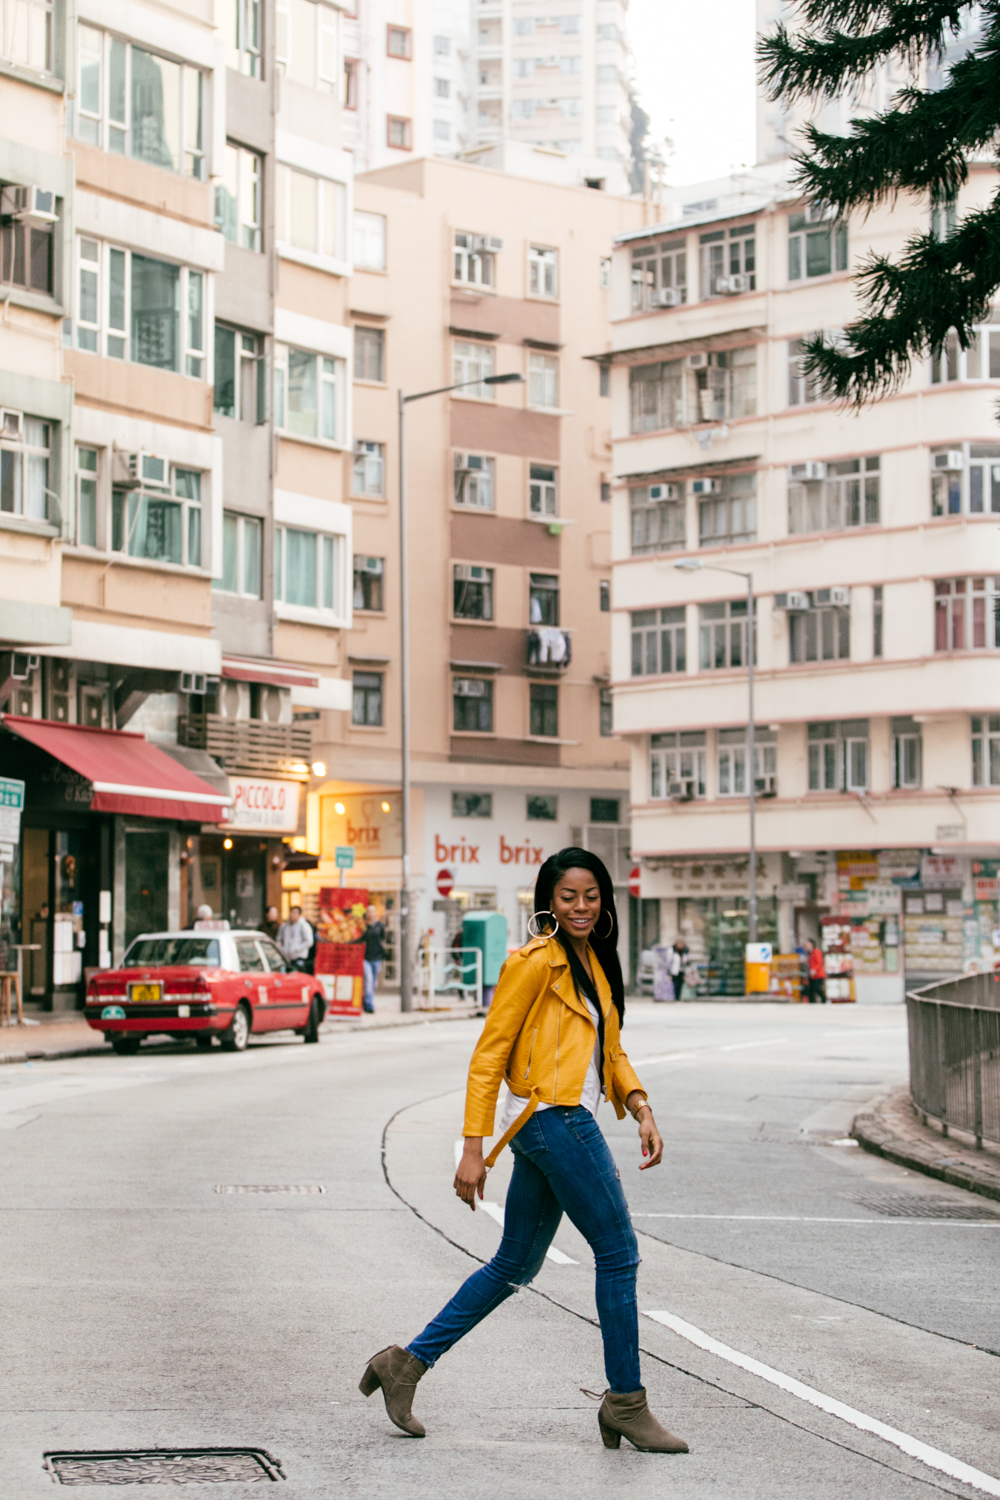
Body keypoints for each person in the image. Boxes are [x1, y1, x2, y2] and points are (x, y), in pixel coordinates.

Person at [359, 847, 688, 1456]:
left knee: (515, 1264)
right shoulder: (533, 964)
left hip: (560, 1120)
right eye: (568, 897)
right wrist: (472, 1148)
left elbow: (610, 1054)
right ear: (548, 902)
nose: (581, 907)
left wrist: (640, 1106)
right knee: (618, 1255)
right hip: (552, 1119)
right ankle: (626, 1402)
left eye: (591, 897)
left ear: (605, 902)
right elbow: (489, 1055)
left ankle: (403, 1366)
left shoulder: (593, 962)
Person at [357, 904, 386, 1014]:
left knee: (373, 982)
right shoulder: (363, 926)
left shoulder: (380, 925)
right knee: (368, 980)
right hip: (365, 957)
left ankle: (367, 999)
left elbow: (383, 937)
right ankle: (368, 1004)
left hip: (377, 956)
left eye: (373, 911)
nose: (371, 914)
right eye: (369, 911)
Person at [277, 905, 313, 971]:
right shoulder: (284, 926)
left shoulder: (304, 925)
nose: (292, 914)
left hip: (298, 957)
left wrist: (297, 948)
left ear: (299, 915)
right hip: (286, 957)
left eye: (294, 913)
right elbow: (279, 939)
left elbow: (309, 941)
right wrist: (282, 949)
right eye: (291, 912)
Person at [805, 937, 826, 1003]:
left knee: (817, 989)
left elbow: (819, 962)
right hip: (812, 975)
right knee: (810, 990)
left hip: (818, 975)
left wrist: (814, 970)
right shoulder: (810, 953)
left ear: (811, 944)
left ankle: (824, 1000)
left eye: (808, 944)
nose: (806, 945)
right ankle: (812, 1003)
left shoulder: (816, 952)